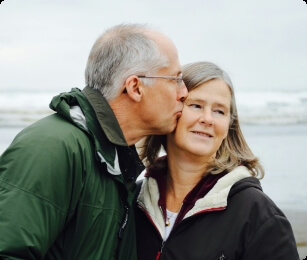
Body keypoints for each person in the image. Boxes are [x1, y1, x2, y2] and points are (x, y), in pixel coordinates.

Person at [0, 24, 188, 259]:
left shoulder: (115, 162)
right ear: (135, 87)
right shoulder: (54, 148)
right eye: (175, 79)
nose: (184, 92)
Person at [135, 61, 299, 260]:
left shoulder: (259, 216)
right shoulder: (134, 200)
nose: (207, 119)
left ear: (229, 126)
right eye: (196, 105)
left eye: (219, 111)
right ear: (172, 110)